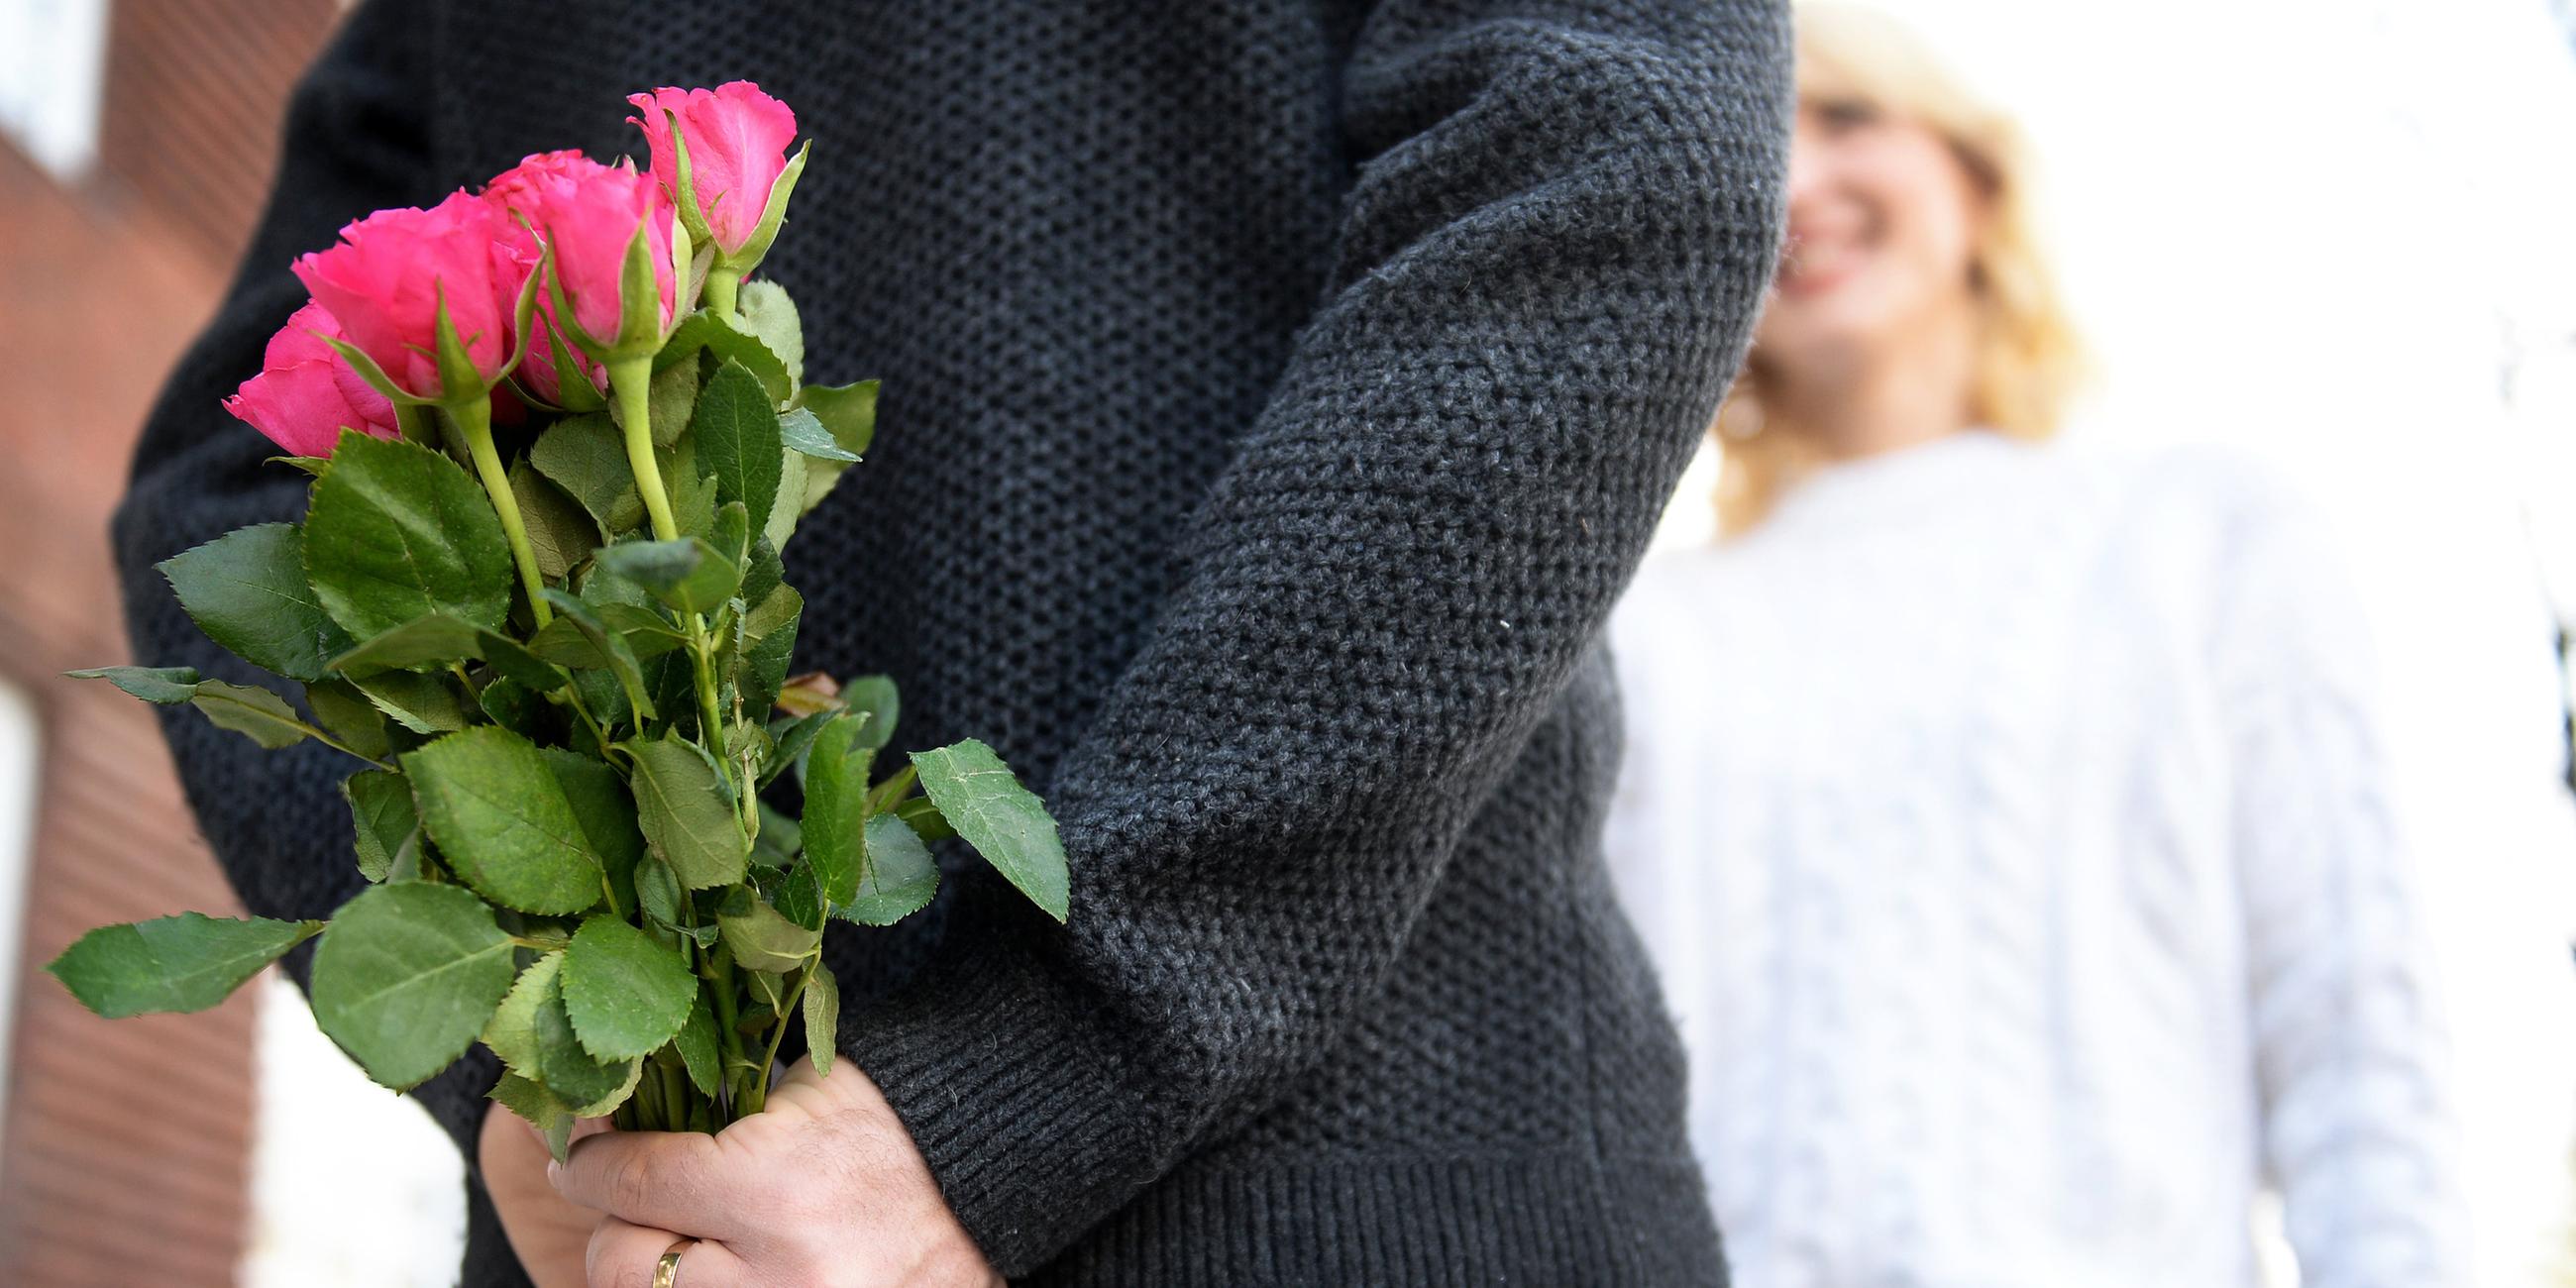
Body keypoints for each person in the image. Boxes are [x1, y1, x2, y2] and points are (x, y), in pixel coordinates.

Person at [112, 0, 1790, 1284]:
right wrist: (569, 1072)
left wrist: (1006, 1097)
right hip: (693, 1230)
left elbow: (1603, 178)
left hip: (1329, 1186)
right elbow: (249, 462)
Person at [1602, 6, 2470, 1286]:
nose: (1796, 181)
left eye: (1847, 117)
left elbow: (2358, 1043)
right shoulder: (1643, 633)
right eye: (1750, 141)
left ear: (1973, 172)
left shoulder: (2204, 536)